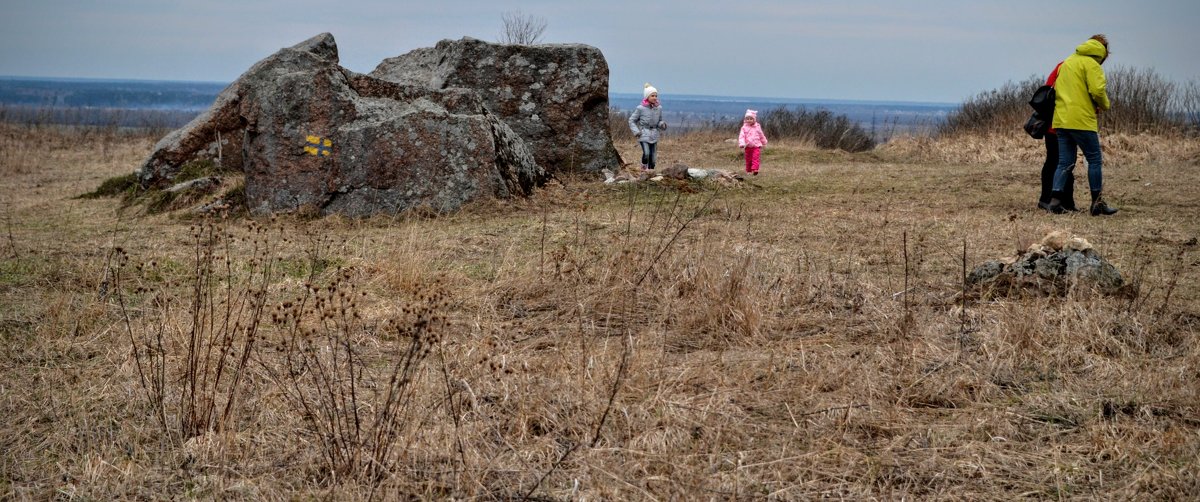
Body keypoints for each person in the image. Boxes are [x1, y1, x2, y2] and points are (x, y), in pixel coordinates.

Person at [1048, 34, 1117, 216]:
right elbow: (1097, 90)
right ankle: (1097, 202)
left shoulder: (1068, 62)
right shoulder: (1092, 65)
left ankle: (1054, 201)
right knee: (1094, 159)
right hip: (1082, 121)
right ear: (1102, 53)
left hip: (1061, 119)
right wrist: (1104, 105)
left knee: (1065, 162)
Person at [1037, 62, 1078, 212]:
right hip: (1064, 123)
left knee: (1055, 161)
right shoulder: (1074, 68)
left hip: (1055, 123)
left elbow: (1047, 87)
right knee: (1062, 162)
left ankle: (1050, 199)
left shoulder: (1062, 66)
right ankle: (1058, 200)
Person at [628, 83, 666, 171]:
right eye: (652, 95)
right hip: (644, 134)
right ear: (647, 96)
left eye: (656, 96)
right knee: (647, 153)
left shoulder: (659, 108)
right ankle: (643, 169)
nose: (655, 97)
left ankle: (651, 172)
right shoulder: (640, 108)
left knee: (653, 157)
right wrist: (636, 131)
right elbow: (631, 120)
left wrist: (662, 124)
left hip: (654, 134)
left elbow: (660, 120)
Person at [738, 109, 768, 175]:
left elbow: (761, 135)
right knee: (748, 159)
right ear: (745, 120)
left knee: (755, 158)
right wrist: (742, 143)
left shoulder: (757, 127)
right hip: (748, 146)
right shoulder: (744, 128)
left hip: (756, 146)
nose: (749, 120)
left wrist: (764, 142)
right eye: (747, 119)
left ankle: (755, 169)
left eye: (751, 119)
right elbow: (741, 136)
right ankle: (748, 170)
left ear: (754, 119)